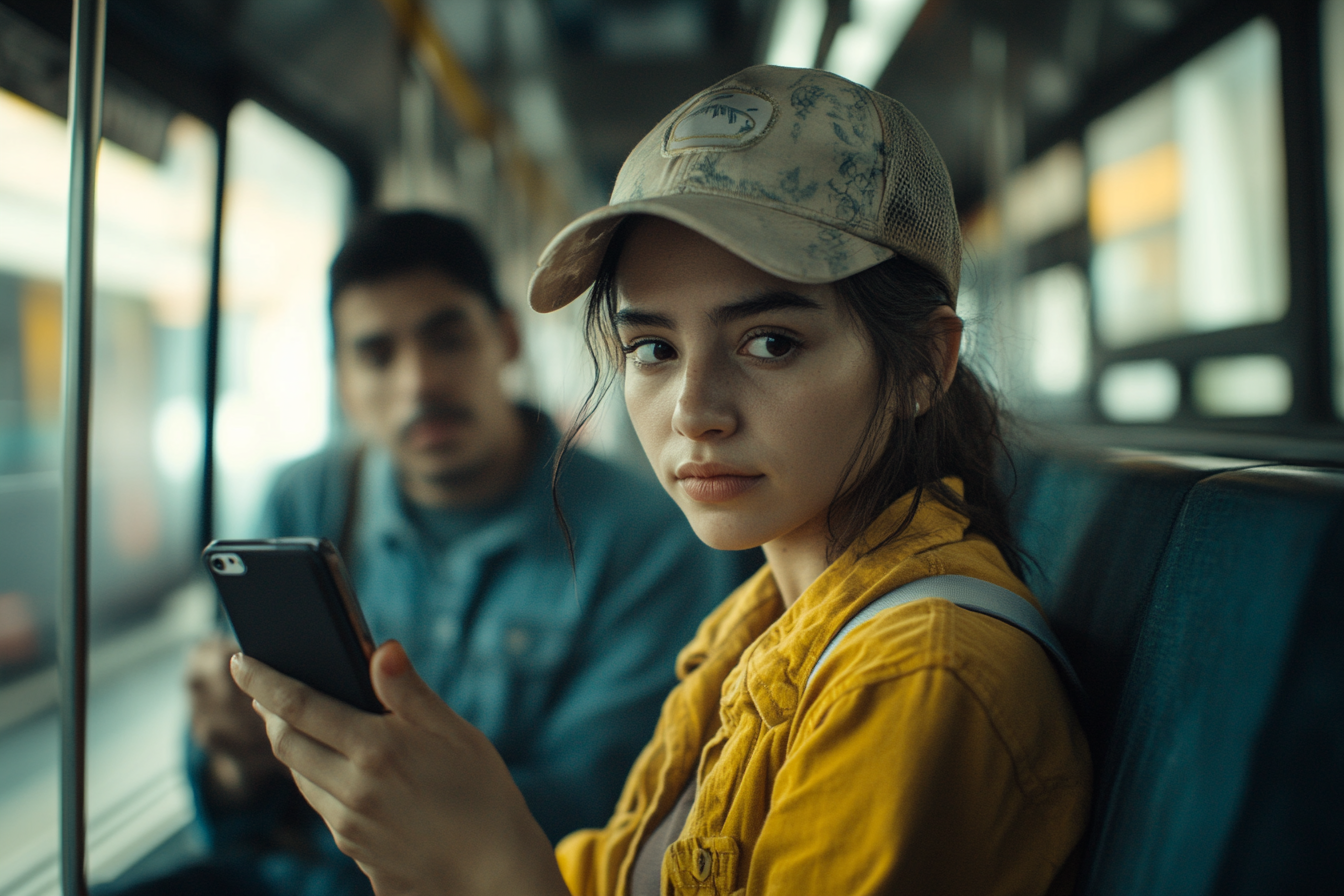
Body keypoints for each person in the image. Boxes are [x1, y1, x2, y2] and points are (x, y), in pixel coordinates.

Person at [232, 66, 1093, 895]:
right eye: (653, 349)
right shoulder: (755, 625)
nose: (693, 412)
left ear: (924, 365)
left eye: (771, 342)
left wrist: (492, 865)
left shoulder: (915, 683)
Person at [162, 212, 757, 896]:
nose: (419, 382)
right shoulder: (307, 499)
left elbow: (604, 809)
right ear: (344, 380)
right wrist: (235, 758)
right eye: (377, 355)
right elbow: (239, 806)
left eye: (447, 340)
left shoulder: (644, 535)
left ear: (504, 338)